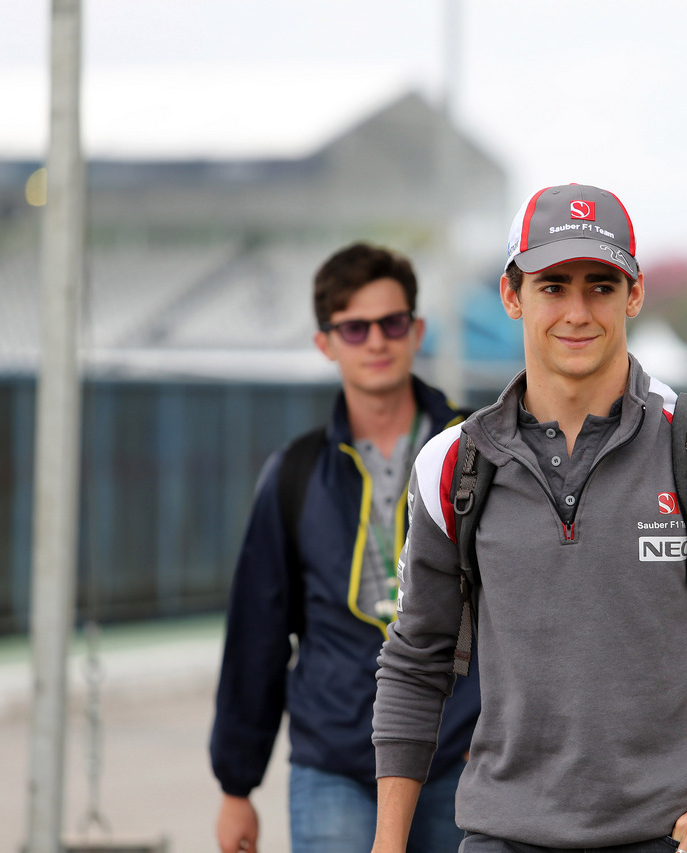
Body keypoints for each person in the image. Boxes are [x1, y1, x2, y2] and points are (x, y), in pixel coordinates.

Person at [369, 183, 687, 853]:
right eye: (553, 286)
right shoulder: (452, 464)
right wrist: (387, 843)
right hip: (501, 836)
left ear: (633, 295)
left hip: (670, 837)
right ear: (512, 295)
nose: (577, 311)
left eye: (600, 286)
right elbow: (415, 659)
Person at [210, 243, 481, 853]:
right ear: (325, 344)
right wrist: (236, 786)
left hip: (460, 755)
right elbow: (258, 629)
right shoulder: (295, 472)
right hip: (335, 761)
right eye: (354, 329)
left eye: (391, 324)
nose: (376, 342)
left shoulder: (479, 451)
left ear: (417, 331)